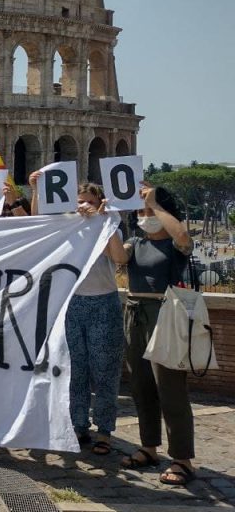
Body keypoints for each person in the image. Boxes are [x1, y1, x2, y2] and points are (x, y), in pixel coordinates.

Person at [31, 174, 126, 454]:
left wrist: (104, 221)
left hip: (103, 303)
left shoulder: (108, 227)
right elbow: (39, 225)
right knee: (76, 370)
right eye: (80, 202)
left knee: (105, 370)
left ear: (99, 204)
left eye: (90, 202)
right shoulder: (68, 228)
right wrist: (37, 189)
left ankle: (105, 430)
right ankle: (78, 424)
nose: (84, 206)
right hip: (72, 304)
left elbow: (120, 259)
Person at [115, 184, 197, 486]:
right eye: (140, 211)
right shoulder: (136, 242)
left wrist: (157, 206)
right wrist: (106, 219)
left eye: (149, 211)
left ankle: (182, 458)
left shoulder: (174, 246)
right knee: (141, 385)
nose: (144, 216)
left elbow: (184, 237)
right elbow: (118, 258)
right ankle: (149, 447)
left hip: (166, 314)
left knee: (170, 388)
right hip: (135, 312)